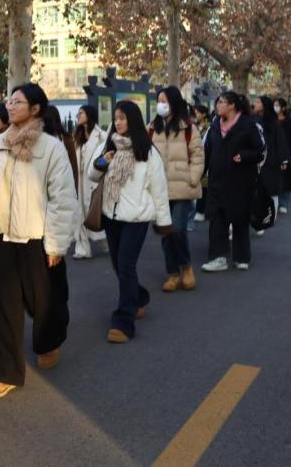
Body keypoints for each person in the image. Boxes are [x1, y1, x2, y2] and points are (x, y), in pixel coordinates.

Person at [0, 83, 76, 400]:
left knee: (44, 302)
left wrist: (56, 245)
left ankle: (48, 341)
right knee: (5, 305)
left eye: (17, 101)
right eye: (9, 101)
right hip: (3, 236)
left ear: (35, 108)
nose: (10, 105)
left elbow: (62, 199)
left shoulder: (51, 148)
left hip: (37, 238)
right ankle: (5, 370)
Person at [90, 100, 172, 343]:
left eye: (123, 118)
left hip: (136, 218)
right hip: (111, 216)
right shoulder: (109, 145)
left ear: (133, 120)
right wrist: (103, 162)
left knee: (125, 265)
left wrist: (163, 222)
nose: (118, 122)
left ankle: (123, 321)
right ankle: (139, 297)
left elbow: (159, 190)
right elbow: (92, 175)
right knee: (118, 265)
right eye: (116, 118)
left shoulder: (148, 152)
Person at [201, 92, 265, 272]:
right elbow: (207, 152)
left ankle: (241, 256)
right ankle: (218, 258)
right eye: (218, 102)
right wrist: (199, 174)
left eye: (221, 102)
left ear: (232, 106)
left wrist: (244, 156)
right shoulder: (215, 125)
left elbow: (259, 152)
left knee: (240, 219)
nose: (218, 105)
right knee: (217, 219)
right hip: (216, 181)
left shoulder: (247, 124)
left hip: (240, 181)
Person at [149, 87, 204, 293]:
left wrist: (192, 179)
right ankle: (172, 273)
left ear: (173, 102)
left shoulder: (188, 127)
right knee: (165, 233)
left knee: (178, 229)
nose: (160, 104)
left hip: (182, 186)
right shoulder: (152, 128)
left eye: (164, 100)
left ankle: (186, 266)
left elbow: (198, 155)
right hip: (159, 188)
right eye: (159, 100)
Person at [72, 105, 106, 259]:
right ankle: (82, 249)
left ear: (89, 115)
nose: (78, 115)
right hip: (80, 182)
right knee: (80, 215)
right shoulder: (77, 136)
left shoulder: (101, 136)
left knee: (95, 213)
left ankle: (105, 240)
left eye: (81, 113)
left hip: (94, 181)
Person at [253, 96, 289, 229]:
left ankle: (271, 217)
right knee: (257, 191)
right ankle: (259, 218)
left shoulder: (273, 123)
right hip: (256, 161)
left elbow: (280, 142)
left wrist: (283, 160)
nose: (255, 104)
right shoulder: (253, 120)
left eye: (258, 102)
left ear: (264, 105)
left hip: (271, 162)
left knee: (272, 191)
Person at [275, 98, 291, 214]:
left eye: (277, 105)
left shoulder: (289, 122)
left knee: (285, 178)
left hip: (287, 154)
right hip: (274, 155)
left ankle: (284, 202)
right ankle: (275, 202)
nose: (275, 107)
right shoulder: (272, 120)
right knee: (275, 179)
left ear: (283, 108)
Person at [191, 104, 212, 224]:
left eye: (198, 113)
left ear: (204, 114)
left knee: (204, 185)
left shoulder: (209, 126)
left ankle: (201, 211)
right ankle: (200, 210)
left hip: (205, 157)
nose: (196, 115)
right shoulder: (195, 125)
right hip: (196, 157)